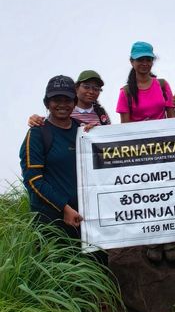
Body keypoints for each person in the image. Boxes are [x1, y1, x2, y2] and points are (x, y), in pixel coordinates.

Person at [116, 41, 175, 263]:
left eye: (148, 59)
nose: (144, 63)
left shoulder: (162, 85)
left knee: (170, 192)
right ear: (131, 61)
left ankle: (172, 239)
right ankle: (153, 239)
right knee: (148, 196)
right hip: (141, 154)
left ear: (152, 61)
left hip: (166, 150)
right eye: (140, 59)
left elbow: (172, 117)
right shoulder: (125, 92)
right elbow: (125, 128)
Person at [20, 75, 85, 241]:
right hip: (51, 224)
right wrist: (64, 207)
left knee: (95, 266)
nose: (62, 104)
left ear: (75, 102)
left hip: (85, 220)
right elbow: (33, 179)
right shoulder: (37, 133)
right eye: (56, 99)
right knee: (58, 266)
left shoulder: (83, 130)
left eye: (67, 99)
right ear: (47, 103)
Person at [28, 70, 111, 127]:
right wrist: (35, 120)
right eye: (86, 87)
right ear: (76, 88)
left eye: (96, 88)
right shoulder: (65, 110)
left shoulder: (101, 113)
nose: (91, 91)